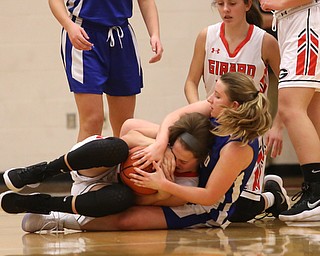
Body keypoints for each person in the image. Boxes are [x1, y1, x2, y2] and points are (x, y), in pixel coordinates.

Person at [1, 72, 288, 232]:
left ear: (233, 106)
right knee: (128, 143)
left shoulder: (238, 148)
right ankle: (43, 172)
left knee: (129, 219)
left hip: (206, 202)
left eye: (217, 95)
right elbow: (173, 116)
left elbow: (210, 196)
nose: (209, 98)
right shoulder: (211, 112)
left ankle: (55, 215)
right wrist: (160, 145)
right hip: (183, 175)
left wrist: (161, 184)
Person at [1, 112, 214, 231]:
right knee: (118, 148)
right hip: (96, 162)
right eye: (174, 155)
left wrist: (161, 189)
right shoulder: (164, 138)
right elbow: (127, 128)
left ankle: (43, 204)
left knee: (124, 198)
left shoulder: (188, 185)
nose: (175, 162)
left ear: (200, 160)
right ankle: (42, 171)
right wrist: (158, 147)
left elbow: (139, 203)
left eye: (183, 162)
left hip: (104, 191)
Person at [183, 0, 283, 222]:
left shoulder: (264, 41)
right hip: (213, 125)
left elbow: (286, 84)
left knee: (242, 212)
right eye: (220, 4)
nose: (225, 9)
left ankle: (273, 195)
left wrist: (278, 125)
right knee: (207, 195)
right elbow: (190, 81)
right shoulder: (206, 36)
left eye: (233, 3)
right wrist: (198, 110)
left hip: (248, 131)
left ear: (248, 5)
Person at [48, 0, 163, 138]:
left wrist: (154, 33)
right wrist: (68, 25)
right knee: (92, 121)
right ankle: (84, 159)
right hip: (84, 33)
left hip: (121, 35)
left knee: (125, 126)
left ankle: (120, 159)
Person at [259, 0, 320, 222]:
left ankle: (316, 193)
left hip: (304, 21)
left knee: (290, 107)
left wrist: (278, 2)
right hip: (293, 21)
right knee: (313, 109)